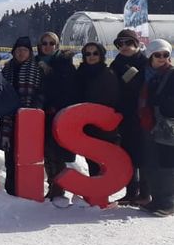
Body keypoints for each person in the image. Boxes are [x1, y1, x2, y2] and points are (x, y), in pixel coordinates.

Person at [36, 32, 78, 206]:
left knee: (57, 151)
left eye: (51, 43)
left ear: (57, 45)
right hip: (40, 113)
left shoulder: (64, 63)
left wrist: (51, 73)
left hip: (59, 113)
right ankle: (53, 184)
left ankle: (59, 186)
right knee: (46, 151)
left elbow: (68, 89)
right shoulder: (35, 62)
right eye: (44, 43)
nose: (48, 46)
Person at [110, 28, 150, 204]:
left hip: (142, 115)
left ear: (136, 43)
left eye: (128, 42)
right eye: (120, 44)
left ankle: (145, 193)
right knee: (128, 155)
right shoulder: (116, 63)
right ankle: (131, 191)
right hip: (123, 116)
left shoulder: (145, 62)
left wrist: (133, 80)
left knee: (143, 155)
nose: (124, 47)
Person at [0, 37, 43, 194]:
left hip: (29, 117)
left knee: (27, 155)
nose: (21, 53)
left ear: (30, 52)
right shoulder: (6, 69)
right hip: (9, 117)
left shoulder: (37, 68)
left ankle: (27, 189)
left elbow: (42, 91)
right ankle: (11, 189)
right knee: (10, 156)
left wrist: (36, 106)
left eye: (25, 50)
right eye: (18, 50)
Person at [75, 41, 119, 177]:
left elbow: (114, 99)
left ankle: (102, 192)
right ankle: (94, 191)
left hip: (103, 125)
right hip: (85, 124)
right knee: (91, 159)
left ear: (101, 55)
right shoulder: (79, 73)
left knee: (102, 160)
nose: (91, 56)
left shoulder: (108, 74)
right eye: (88, 54)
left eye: (95, 53)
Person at [140, 39, 174, 216]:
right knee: (152, 163)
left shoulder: (171, 74)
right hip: (149, 123)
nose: (162, 58)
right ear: (150, 55)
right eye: (158, 54)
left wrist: (163, 104)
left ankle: (168, 202)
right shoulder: (147, 74)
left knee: (167, 164)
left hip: (166, 124)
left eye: (165, 55)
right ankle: (157, 200)